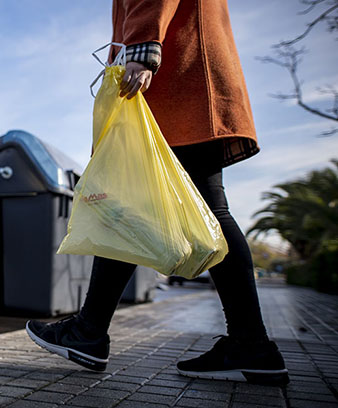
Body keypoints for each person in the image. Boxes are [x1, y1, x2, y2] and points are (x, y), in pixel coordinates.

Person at [26, 0, 289, 384]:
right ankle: (91, 331)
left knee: (194, 208)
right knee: (144, 204)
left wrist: (143, 48)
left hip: (179, 78)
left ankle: (249, 343)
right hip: (190, 75)